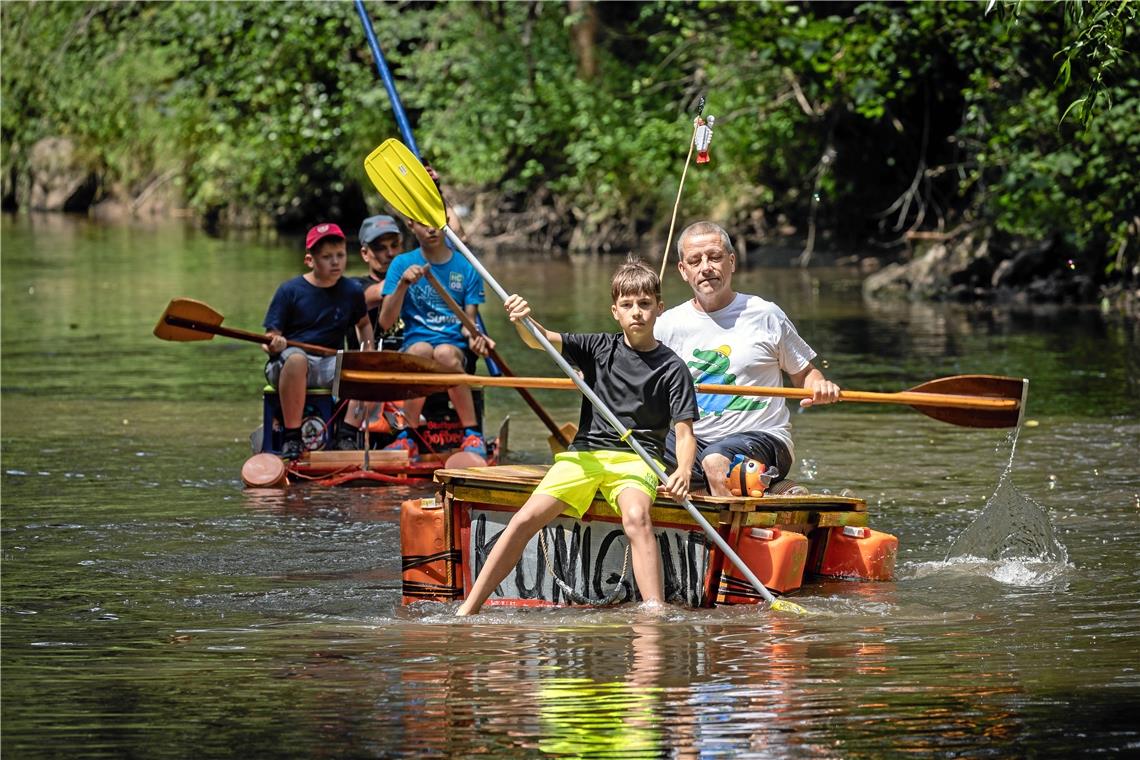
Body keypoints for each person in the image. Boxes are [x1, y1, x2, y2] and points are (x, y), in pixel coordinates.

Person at [456, 259, 698, 616]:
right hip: (585, 455)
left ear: (659, 308)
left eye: (645, 304)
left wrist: (684, 471)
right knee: (524, 518)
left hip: (637, 459)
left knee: (636, 516)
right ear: (615, 311)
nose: (637, 313)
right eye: (628, 305)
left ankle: (653, 611)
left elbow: (684, 431)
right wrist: (523, 318)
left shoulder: (673, 368)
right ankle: (470, 607)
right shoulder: (599, 347)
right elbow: (540, 340)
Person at [654, 221, 840, 496]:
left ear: (731, 262)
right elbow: (636, 375)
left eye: (715, 257)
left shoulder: (766, 315)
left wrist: (820, 385)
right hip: (693, 441)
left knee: (715, 462)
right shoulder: (666, 324)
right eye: (695, 260)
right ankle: (768, 488)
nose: (706, 267)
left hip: (763, 438)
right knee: (633, 450)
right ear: (684, 270)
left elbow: (805, 374)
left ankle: (730, 528)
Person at [377, 216, 493, 458]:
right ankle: (407, 436)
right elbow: (385, 322)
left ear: (445, 222)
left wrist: (476, 339)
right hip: (415, 345)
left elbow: (469, 323)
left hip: (453, 347)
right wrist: (403, 285)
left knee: (444, 353)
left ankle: (472, 433)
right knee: (421, 351)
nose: (430, 228)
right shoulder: (401, 264)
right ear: (411, 226)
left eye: (435, 221)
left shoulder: (467, 266)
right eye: (422, 223)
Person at [263, 223, 373, 460]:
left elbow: (363, 324)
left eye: (340, 255)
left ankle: (347, 434)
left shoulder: (352, 291)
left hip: (329, 362)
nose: (336, 262)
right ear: (310, 260)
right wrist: (275, 343)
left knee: (366, 369)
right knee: (296, 359)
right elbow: (269, 339)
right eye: (327, 257)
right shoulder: (289, 291)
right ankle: (292, 438)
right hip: (287, 365)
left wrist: (368, 351)